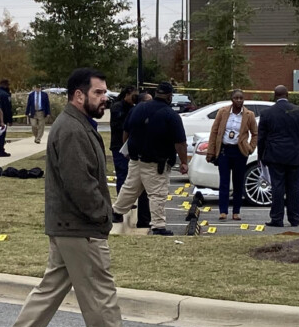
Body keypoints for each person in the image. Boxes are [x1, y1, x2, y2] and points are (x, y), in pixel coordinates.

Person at [0, 68, 155, 327]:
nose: (104, 98)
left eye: (105, 92)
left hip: (68, 225)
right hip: (79, 228)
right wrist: (103, 215)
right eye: (98, 93)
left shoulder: (77, 124)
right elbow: (80, 185)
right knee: (101, 293)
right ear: (79, 96)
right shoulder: (72, 130)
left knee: (50, 289)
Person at [110, 82, 188, 236]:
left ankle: (116, 212)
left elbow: (126, 131)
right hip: (156, 162)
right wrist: (184, 162)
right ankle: (158, 226)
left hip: (135, 159)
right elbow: (180, 143)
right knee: (157, 193)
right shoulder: (170, 115)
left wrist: (127, 150)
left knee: (130, 188)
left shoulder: (138, 108)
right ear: (169, 96)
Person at [257, 85, 299, 227]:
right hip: (295, 155)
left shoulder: (267, 113)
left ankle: (277, 218)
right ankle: (294, 218)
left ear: (274, 96)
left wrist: (261, 157)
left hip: (275, 155)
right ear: (288, 95)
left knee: (277, 187)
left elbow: (261, 137)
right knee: (294, 188)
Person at [206, 89, 258, 221]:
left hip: (240, 151)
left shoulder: (249, 115)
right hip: (224, 150)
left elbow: (255, 133)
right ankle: (223, 211)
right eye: (236, 98)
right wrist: (211, 151)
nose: (239, 100)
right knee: (224, 181)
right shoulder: (223, 112)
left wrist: (250, 148)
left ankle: (236, 211)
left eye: (241, 98)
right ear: (232, 99)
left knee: (238, 182)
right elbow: (214, 131)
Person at [111, 88, 151, 229]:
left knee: (135, 183)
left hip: (134, 151)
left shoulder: (134, 109)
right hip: (120, 147)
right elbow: (124, 129)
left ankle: (127, 210)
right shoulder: (119, 108)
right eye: (133, 96)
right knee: (124, 177)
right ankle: (119, 210)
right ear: (127, 95)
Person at [0, 79, 14, 157]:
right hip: (3, 118)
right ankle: (1, 150)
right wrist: (10, 120)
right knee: (1, 135)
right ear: (5, 85)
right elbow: (8, 108)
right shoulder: (5, 95)